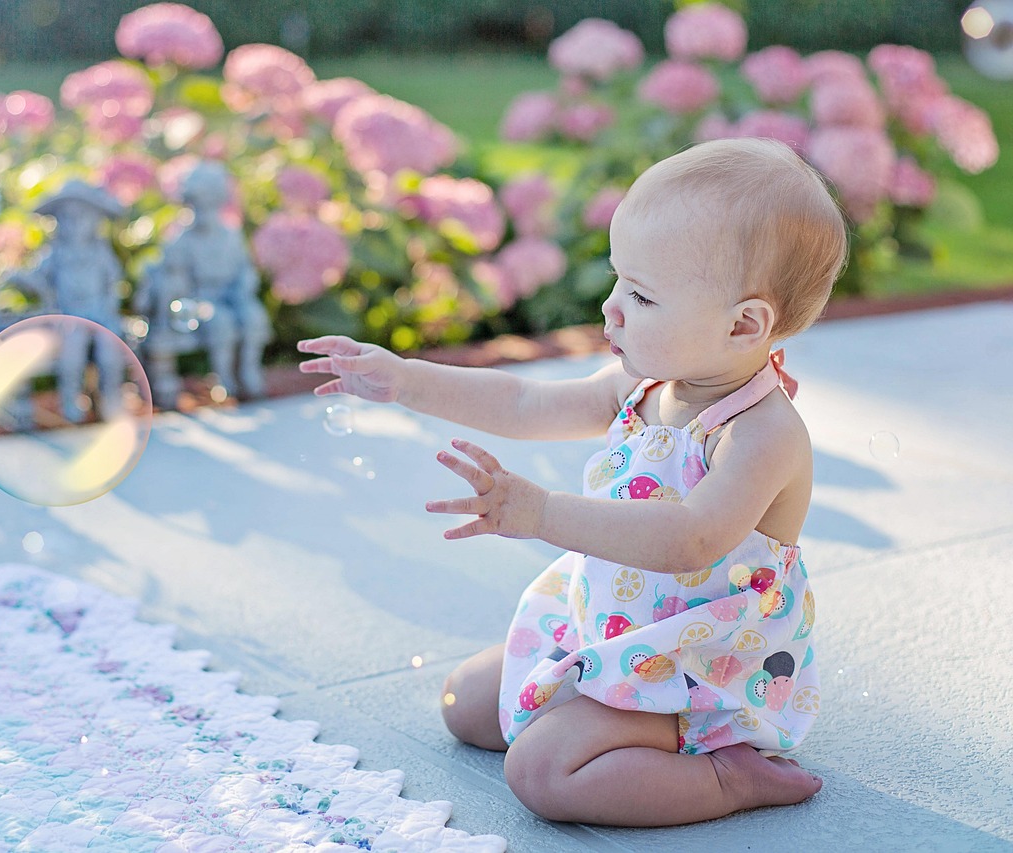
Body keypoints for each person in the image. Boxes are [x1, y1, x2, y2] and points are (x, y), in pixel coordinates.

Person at [296, 137, 848, 827]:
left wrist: (540, 512)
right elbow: (524, 405)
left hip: (701, 657)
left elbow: (689, 539)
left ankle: (725, 774)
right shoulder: (643, 382)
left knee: (540, 770)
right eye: (619, 278)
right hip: (615, 618)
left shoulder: (761, 433)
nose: (612, 307)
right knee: (465, 702)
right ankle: (600, 697)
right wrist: (406, 378)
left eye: (643, 295)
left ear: (744, 324)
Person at [135, 161, 271, 408]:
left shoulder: (231, 235)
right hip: (198, 301)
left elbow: (244, 269)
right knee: (221, 323)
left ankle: (249, 371)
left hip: (231, 295)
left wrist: (244, 286)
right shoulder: (181, 239)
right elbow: (173, 277)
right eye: (199, 204)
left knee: (254, 317)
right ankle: (224, 378)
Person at [5, 180, 128, 423]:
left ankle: (111, 396)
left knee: (109, 347)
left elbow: (113, 283)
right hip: (69, 316)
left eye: (82, 217)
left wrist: (110, 307)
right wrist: (19, 276)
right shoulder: (56, 253)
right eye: (67, 218)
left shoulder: (100, 252)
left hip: (100, 313)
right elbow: (38, 277)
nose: (74, 225)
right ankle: (70, 398)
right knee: (73, 346)